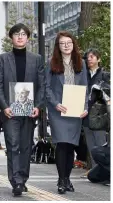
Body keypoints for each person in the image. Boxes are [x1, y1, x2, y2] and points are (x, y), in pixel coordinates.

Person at [0, 23, 45, 196]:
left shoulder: (36, 59)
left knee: (26, 146)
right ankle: (16, 181)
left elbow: (42, 85)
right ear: (11, 38)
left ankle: (23, 178)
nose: (20, 37)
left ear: (28, 37)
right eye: (16, 34)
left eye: (23, 34)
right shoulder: (2, 59)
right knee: (13, 145)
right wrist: (5, 106)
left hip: (29, 110)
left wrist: (37, 106)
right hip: (10, 110)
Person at [45, 31, 88, 194]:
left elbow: (85, 87)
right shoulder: (51, 63)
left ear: (73, 44)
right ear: (58, 46)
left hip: (75, 109)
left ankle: (67, 178)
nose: (66, 46)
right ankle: (62, 180)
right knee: (62, 144)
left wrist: (85, 107)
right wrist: (55, 104)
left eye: (69, 43)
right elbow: (46, 87)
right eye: (62, 43)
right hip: (58, 110)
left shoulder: (81, 64)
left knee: (70, 146)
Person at [82, 49, 107, 176]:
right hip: (86, 116)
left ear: (99, 59)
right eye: (87, 57)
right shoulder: (83, 75)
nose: (89, 59)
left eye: (92, 56)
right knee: (91, 146)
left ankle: (104, 172)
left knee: (100, 145)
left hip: (99, 117)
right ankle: (95, 172)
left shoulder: (105, 75)